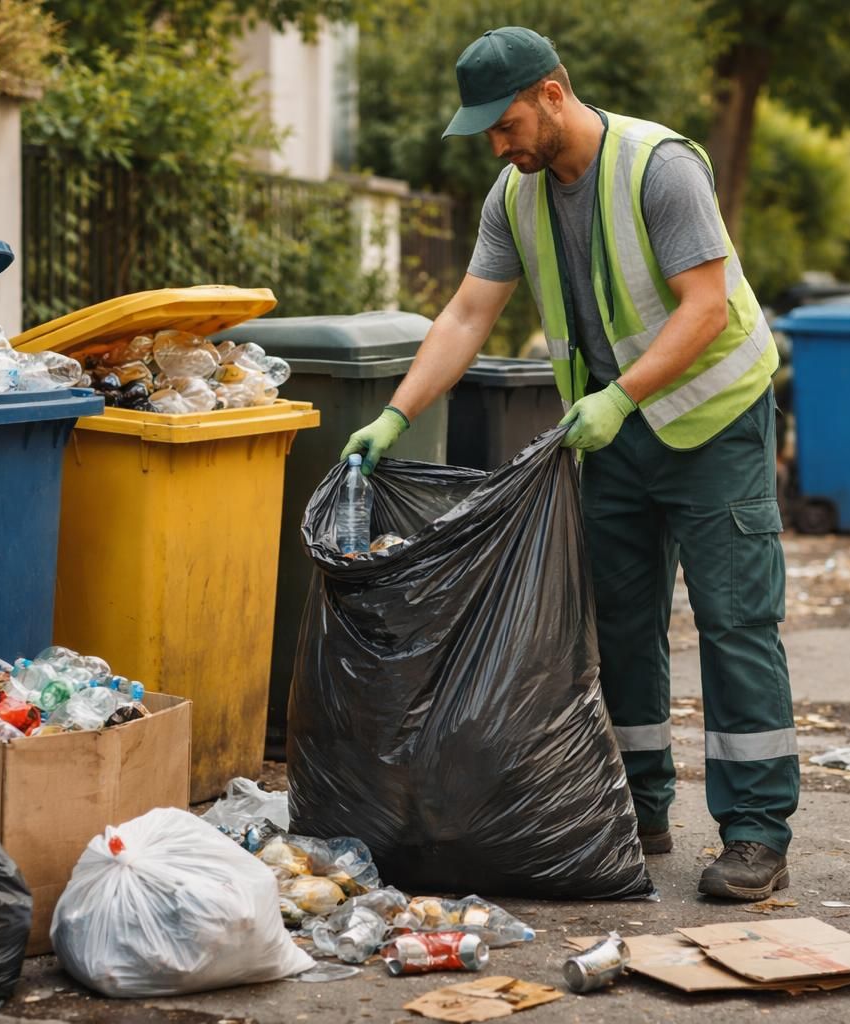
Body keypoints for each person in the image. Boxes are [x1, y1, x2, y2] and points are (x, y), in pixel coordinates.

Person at [340, 27, 797, 901]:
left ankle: (755, 834)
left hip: (713, 423)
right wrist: (397, 416)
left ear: (553, 93)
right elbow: (470, 312)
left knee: (735, 623)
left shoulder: (658, 167)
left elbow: (705, 306)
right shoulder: (515, 196)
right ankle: (638, 807)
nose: (497, 145)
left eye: (504, 123)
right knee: (618, 626)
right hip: (613, 436)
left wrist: (623, 395)